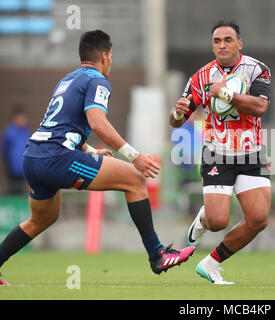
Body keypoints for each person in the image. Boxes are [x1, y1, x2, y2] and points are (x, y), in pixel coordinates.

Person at [0, 30, 195, 286]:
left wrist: (90, 151)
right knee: (135, 179)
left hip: (34, 156)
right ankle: (157, 255)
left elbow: (60, 126)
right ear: (105, 55)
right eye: (111, 56)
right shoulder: (98, 80)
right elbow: (98, 123)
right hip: (56, 157)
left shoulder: (67, 80)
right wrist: (133, 156)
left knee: (42, 219)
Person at [169, 19, 272, 285]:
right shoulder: (201, 77)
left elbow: (260, 107)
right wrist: (177, 113)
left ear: (239, 43)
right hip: (217, 153)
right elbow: (178, 120)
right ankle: (202, 220)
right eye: (217, 41)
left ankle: (211, 263)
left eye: (228, 40)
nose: (222, 45)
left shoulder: (257, 70)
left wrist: (226, 94)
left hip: (251, 153)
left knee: (259, 219)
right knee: (217, 221)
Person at [1, 106, 31, 195]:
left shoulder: (27, 131)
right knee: (13, 191)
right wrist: (8, 164)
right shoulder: (9, 132)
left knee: (22, 191)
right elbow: (5, 150)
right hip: (12, 169)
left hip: (24, 168)